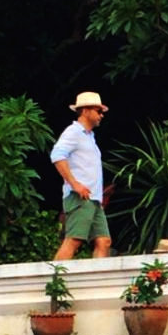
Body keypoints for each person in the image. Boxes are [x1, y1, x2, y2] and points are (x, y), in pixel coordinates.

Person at [50, 91, 112, 262]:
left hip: (93, 199)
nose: (101, 115)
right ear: (85, 111)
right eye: (98, 111)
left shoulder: (89, 137)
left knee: (104, 241)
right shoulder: (74, 132)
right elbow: (57, 155)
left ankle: (98, 282)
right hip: (80, 197)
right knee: (74, 240)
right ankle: (54, 283)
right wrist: (74, 184)